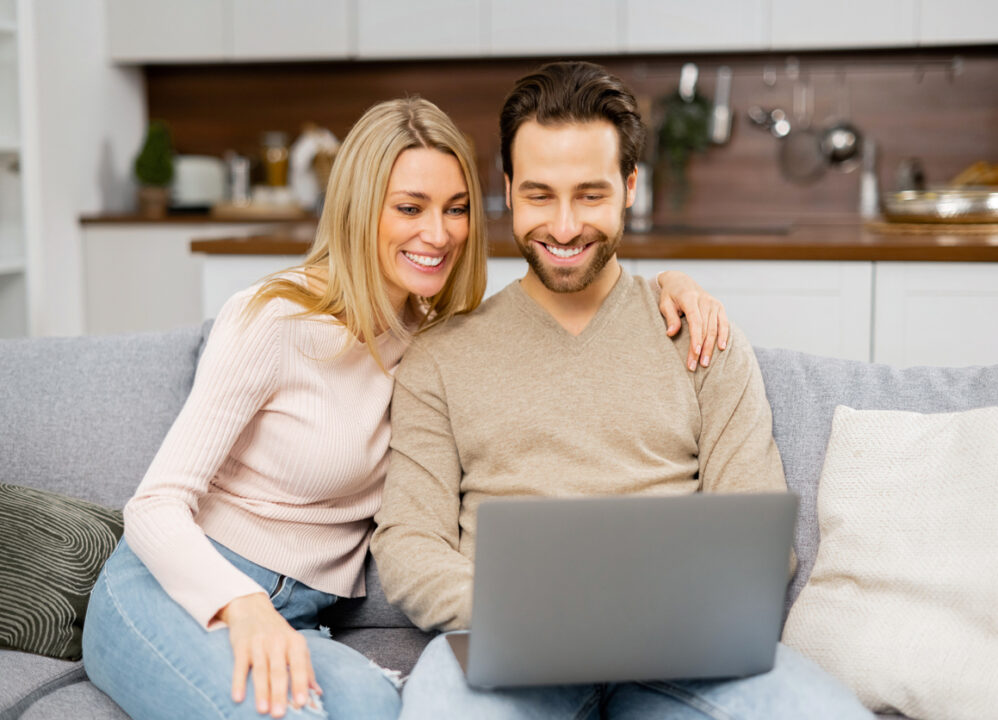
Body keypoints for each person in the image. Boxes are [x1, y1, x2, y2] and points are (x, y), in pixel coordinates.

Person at [81, 95, 728, 720]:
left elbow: (560, 290)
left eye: (454, 208)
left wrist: (665, 287)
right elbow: (155, 504)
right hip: (182, 589)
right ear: (362, 210)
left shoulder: (436, 342)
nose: (437, 233)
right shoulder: (275, 319)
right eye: (410, 208)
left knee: (380, 710)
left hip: (303, 612)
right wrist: (242, 607)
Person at [370, 62, 874, 719]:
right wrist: (528, 613)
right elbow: (409, 542)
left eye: (590, 194)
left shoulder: (702, 338)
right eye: (541, 194)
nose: (565, 225)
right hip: (506, 650)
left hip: (684, 653)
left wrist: (662, 612)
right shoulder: (441, 358)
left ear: (630, 186)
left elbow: (758, 536)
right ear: (509, 188)